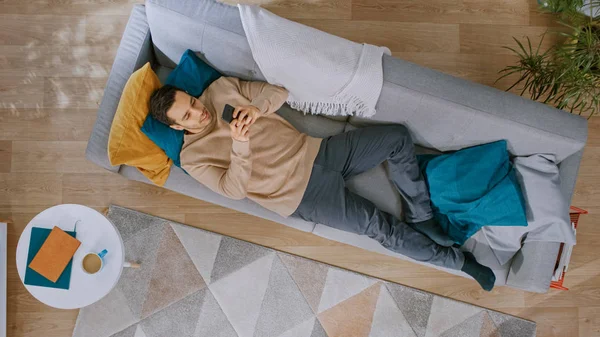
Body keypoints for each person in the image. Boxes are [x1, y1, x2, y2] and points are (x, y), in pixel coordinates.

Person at [149, 77, 496, 291]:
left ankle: (421, 216)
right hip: (300, 195)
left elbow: (277, 92)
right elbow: (233, 191)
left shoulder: (220, 89)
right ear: (178, 128)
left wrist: (256, 108)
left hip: (317, 151)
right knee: (380, 227)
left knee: (397, 137)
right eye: (188, 116)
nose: (199, 112)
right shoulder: (193, 157)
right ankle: (459, 263)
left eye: (192, 102)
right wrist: (240, 145)